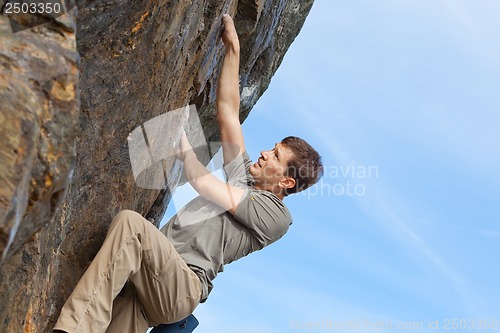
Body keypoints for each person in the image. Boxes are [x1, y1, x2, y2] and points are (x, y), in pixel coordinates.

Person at [53, 14, 323, 333]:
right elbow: (227, 112)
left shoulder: (275, 216)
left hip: (181, 287)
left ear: (286, 181)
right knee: (121, 316)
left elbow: (202, 183)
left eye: (275, 155)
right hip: (153, 275)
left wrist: (184, 150)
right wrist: (233, 49)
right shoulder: (244, 181)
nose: (265, 152)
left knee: (131, 226)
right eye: (271, 146)